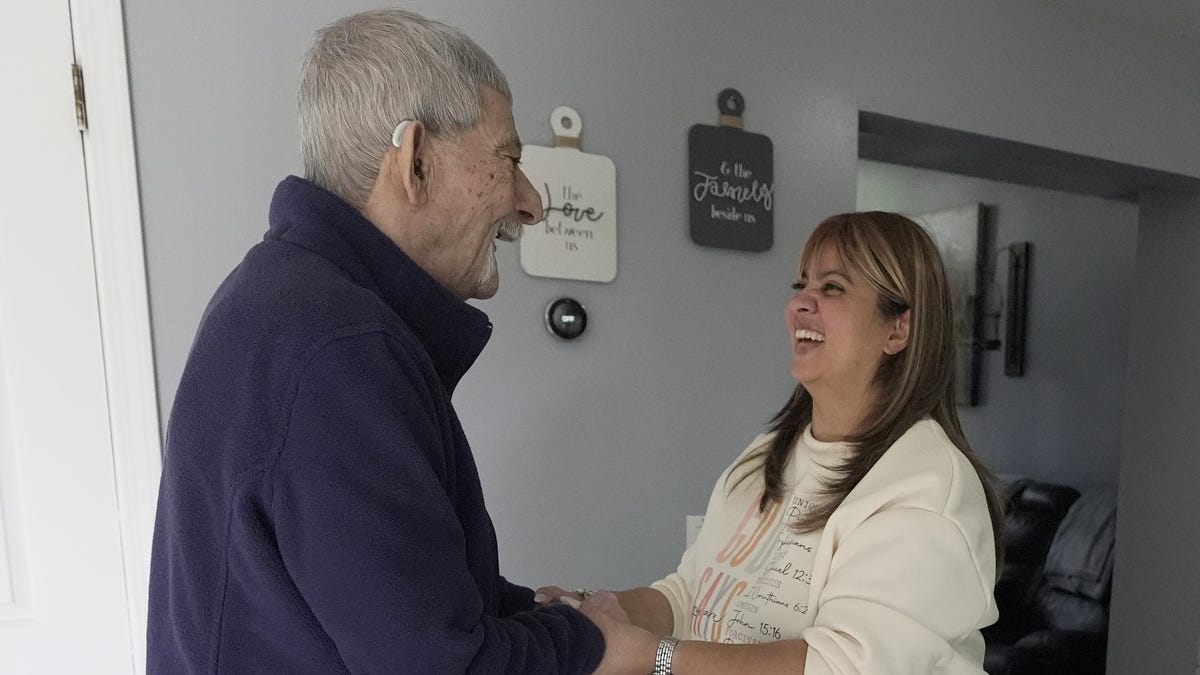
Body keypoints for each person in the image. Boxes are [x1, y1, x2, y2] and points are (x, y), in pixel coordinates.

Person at [147, 9, 640, 673]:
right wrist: (595, 643)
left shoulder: (279, 297)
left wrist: (536, 613)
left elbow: (388, 588)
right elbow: (439, 664)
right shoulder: (339, 347)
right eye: (510, 160)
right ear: (415, 162)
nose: (530, 202)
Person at [539, 212, 1004, 673]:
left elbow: (839, 668)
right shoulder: (767, 454)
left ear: (897, 329)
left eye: (833, 287)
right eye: (801, 286)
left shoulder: (925, 487)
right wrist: (589, 613)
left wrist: (651, 656)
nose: (800, 303)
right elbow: (689, 596)